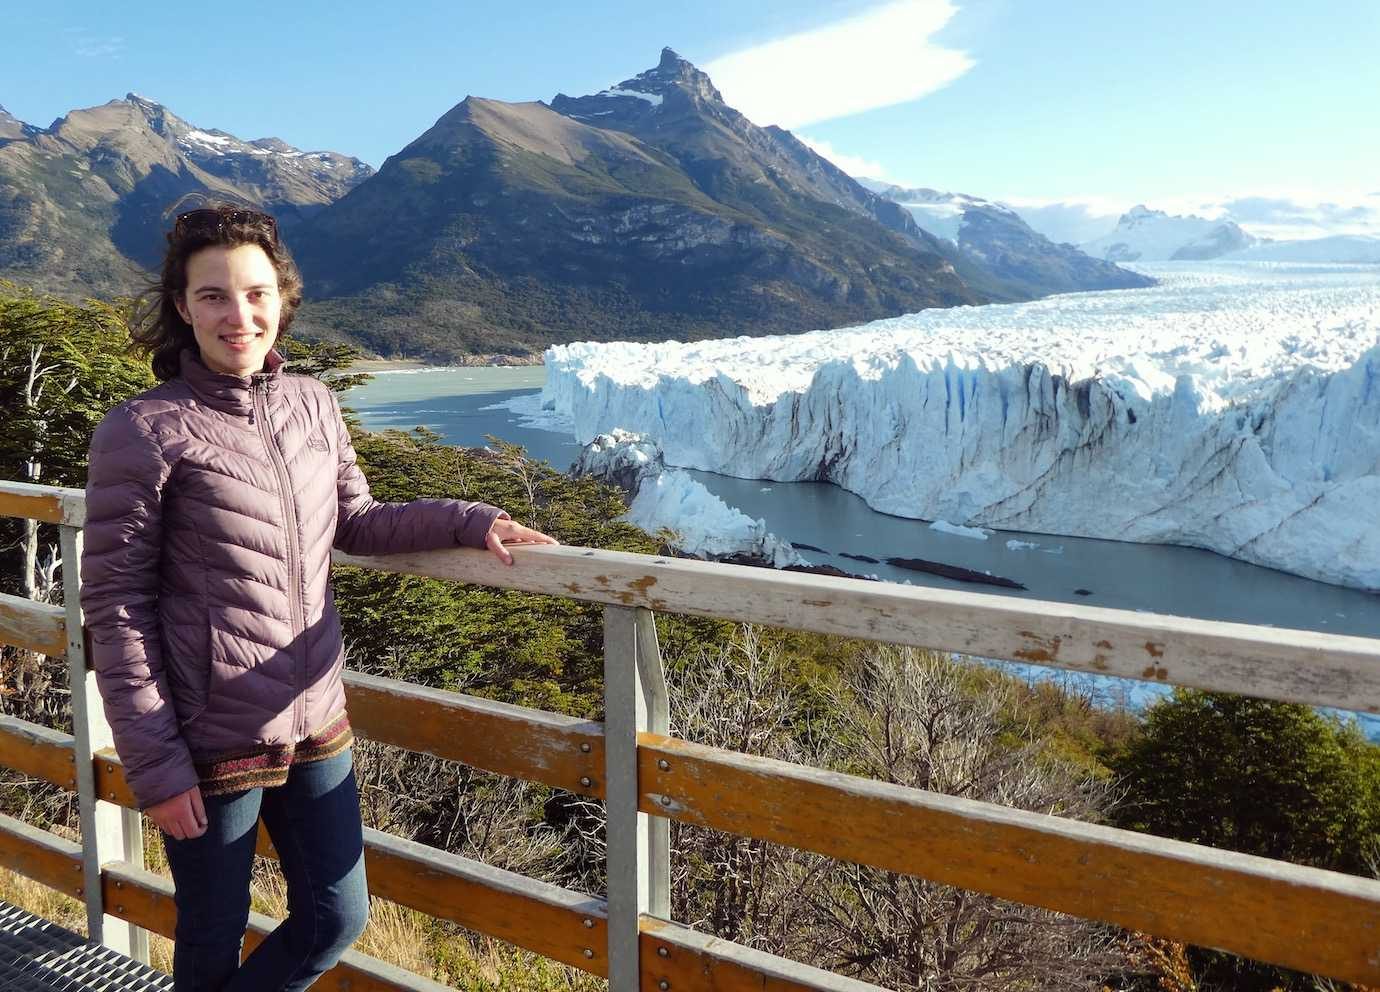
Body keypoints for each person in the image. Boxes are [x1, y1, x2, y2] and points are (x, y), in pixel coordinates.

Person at [80, 203, 558, 991]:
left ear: (282, 298)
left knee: (338, 916)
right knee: (210, 935)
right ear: (182, 307)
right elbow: (117, 607)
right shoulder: (144, 429)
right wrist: (156, 767)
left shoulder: (312, 402)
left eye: (258, 293)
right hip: (212, 734)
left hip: (316, 717)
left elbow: (359, 522)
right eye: (214, 296)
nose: (241, 315)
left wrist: (469, 519)